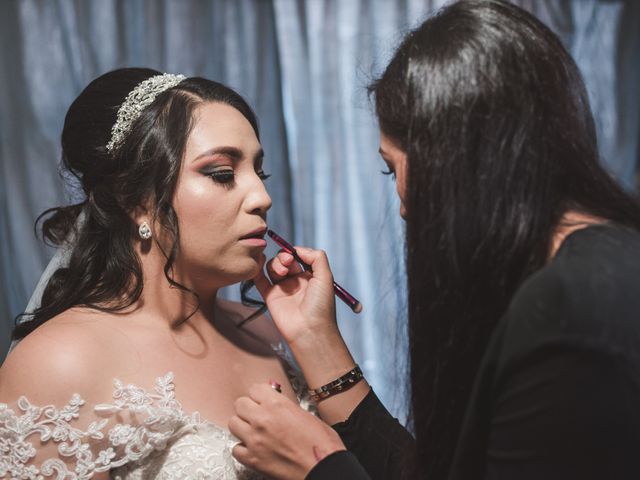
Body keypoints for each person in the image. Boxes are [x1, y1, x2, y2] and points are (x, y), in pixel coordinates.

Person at [227, 1, 640, 479]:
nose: (403, 205)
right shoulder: (584, 270)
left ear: (454, 159)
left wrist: (320, 467)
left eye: (394, 168)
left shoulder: (571, 307)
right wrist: (315, 338)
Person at [0, 68, 309, 479]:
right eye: (221, 174)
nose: (262, 198)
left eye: (260, 172)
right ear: (135, 200)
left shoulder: (264, 336)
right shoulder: (61, 363)